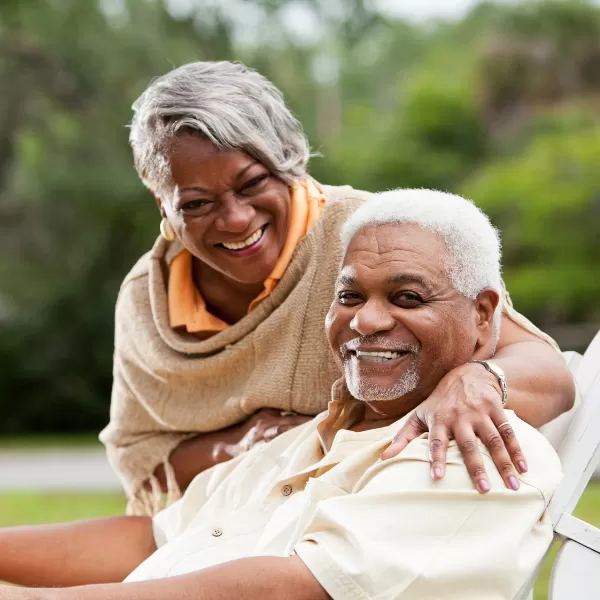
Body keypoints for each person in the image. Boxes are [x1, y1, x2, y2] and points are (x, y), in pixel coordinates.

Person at [0, 190, 561, 600]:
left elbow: (293, 590)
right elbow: (153, 538)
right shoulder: (305, 440)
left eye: (408, 297)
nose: (366, 320)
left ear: (484, 315)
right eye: (348, 294)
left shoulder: (475, 450)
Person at [100, 60, 574, 515]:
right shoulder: (147, 297)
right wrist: (249, 445)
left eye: (253, 183)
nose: (236, 219)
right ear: (163, 205)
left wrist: (478, 379)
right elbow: (141, 455)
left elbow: (547, 372)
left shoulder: (372, 238)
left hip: (371, 515)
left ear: (289, 164)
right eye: (198, 203)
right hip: (221, 528)